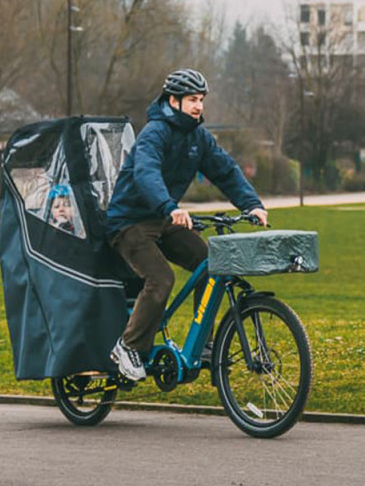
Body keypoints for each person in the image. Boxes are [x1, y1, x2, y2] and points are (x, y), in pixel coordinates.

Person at [105, 68, 268, 381]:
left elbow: (225, 170)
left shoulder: (198, 137)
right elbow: (147, 173)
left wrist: (252, 204)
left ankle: (203, 345)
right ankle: (128, 346)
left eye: (202, 100)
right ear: (173, 100)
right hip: (129, 223)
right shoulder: (155, 132)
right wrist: (170, 206)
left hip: (164, 219)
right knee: (161, 278)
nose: (199, 106)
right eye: (193, 99)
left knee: (211, 264)